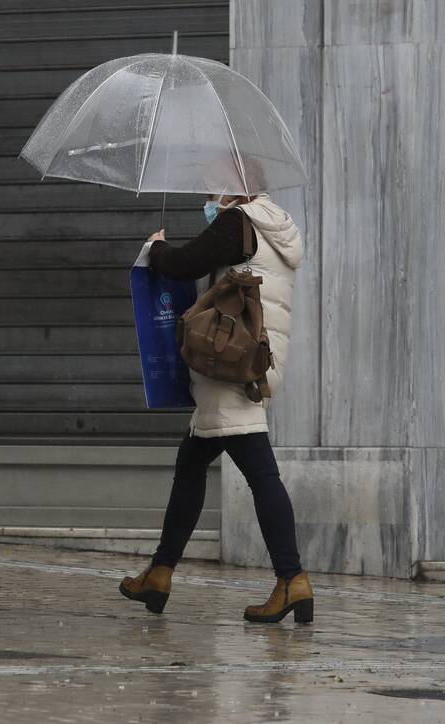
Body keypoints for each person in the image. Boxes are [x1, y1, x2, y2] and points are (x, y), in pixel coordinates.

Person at [118, 192, 313, 624]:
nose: (209, 201)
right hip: (253, 360)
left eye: (213, 193)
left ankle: (292, 578)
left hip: (230, 366)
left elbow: (184, 263)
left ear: (235, 186)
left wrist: (155, 248)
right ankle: (160, 573)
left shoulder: (237, 223)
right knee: (192, 462)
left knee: (260, 473)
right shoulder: (276, 227)